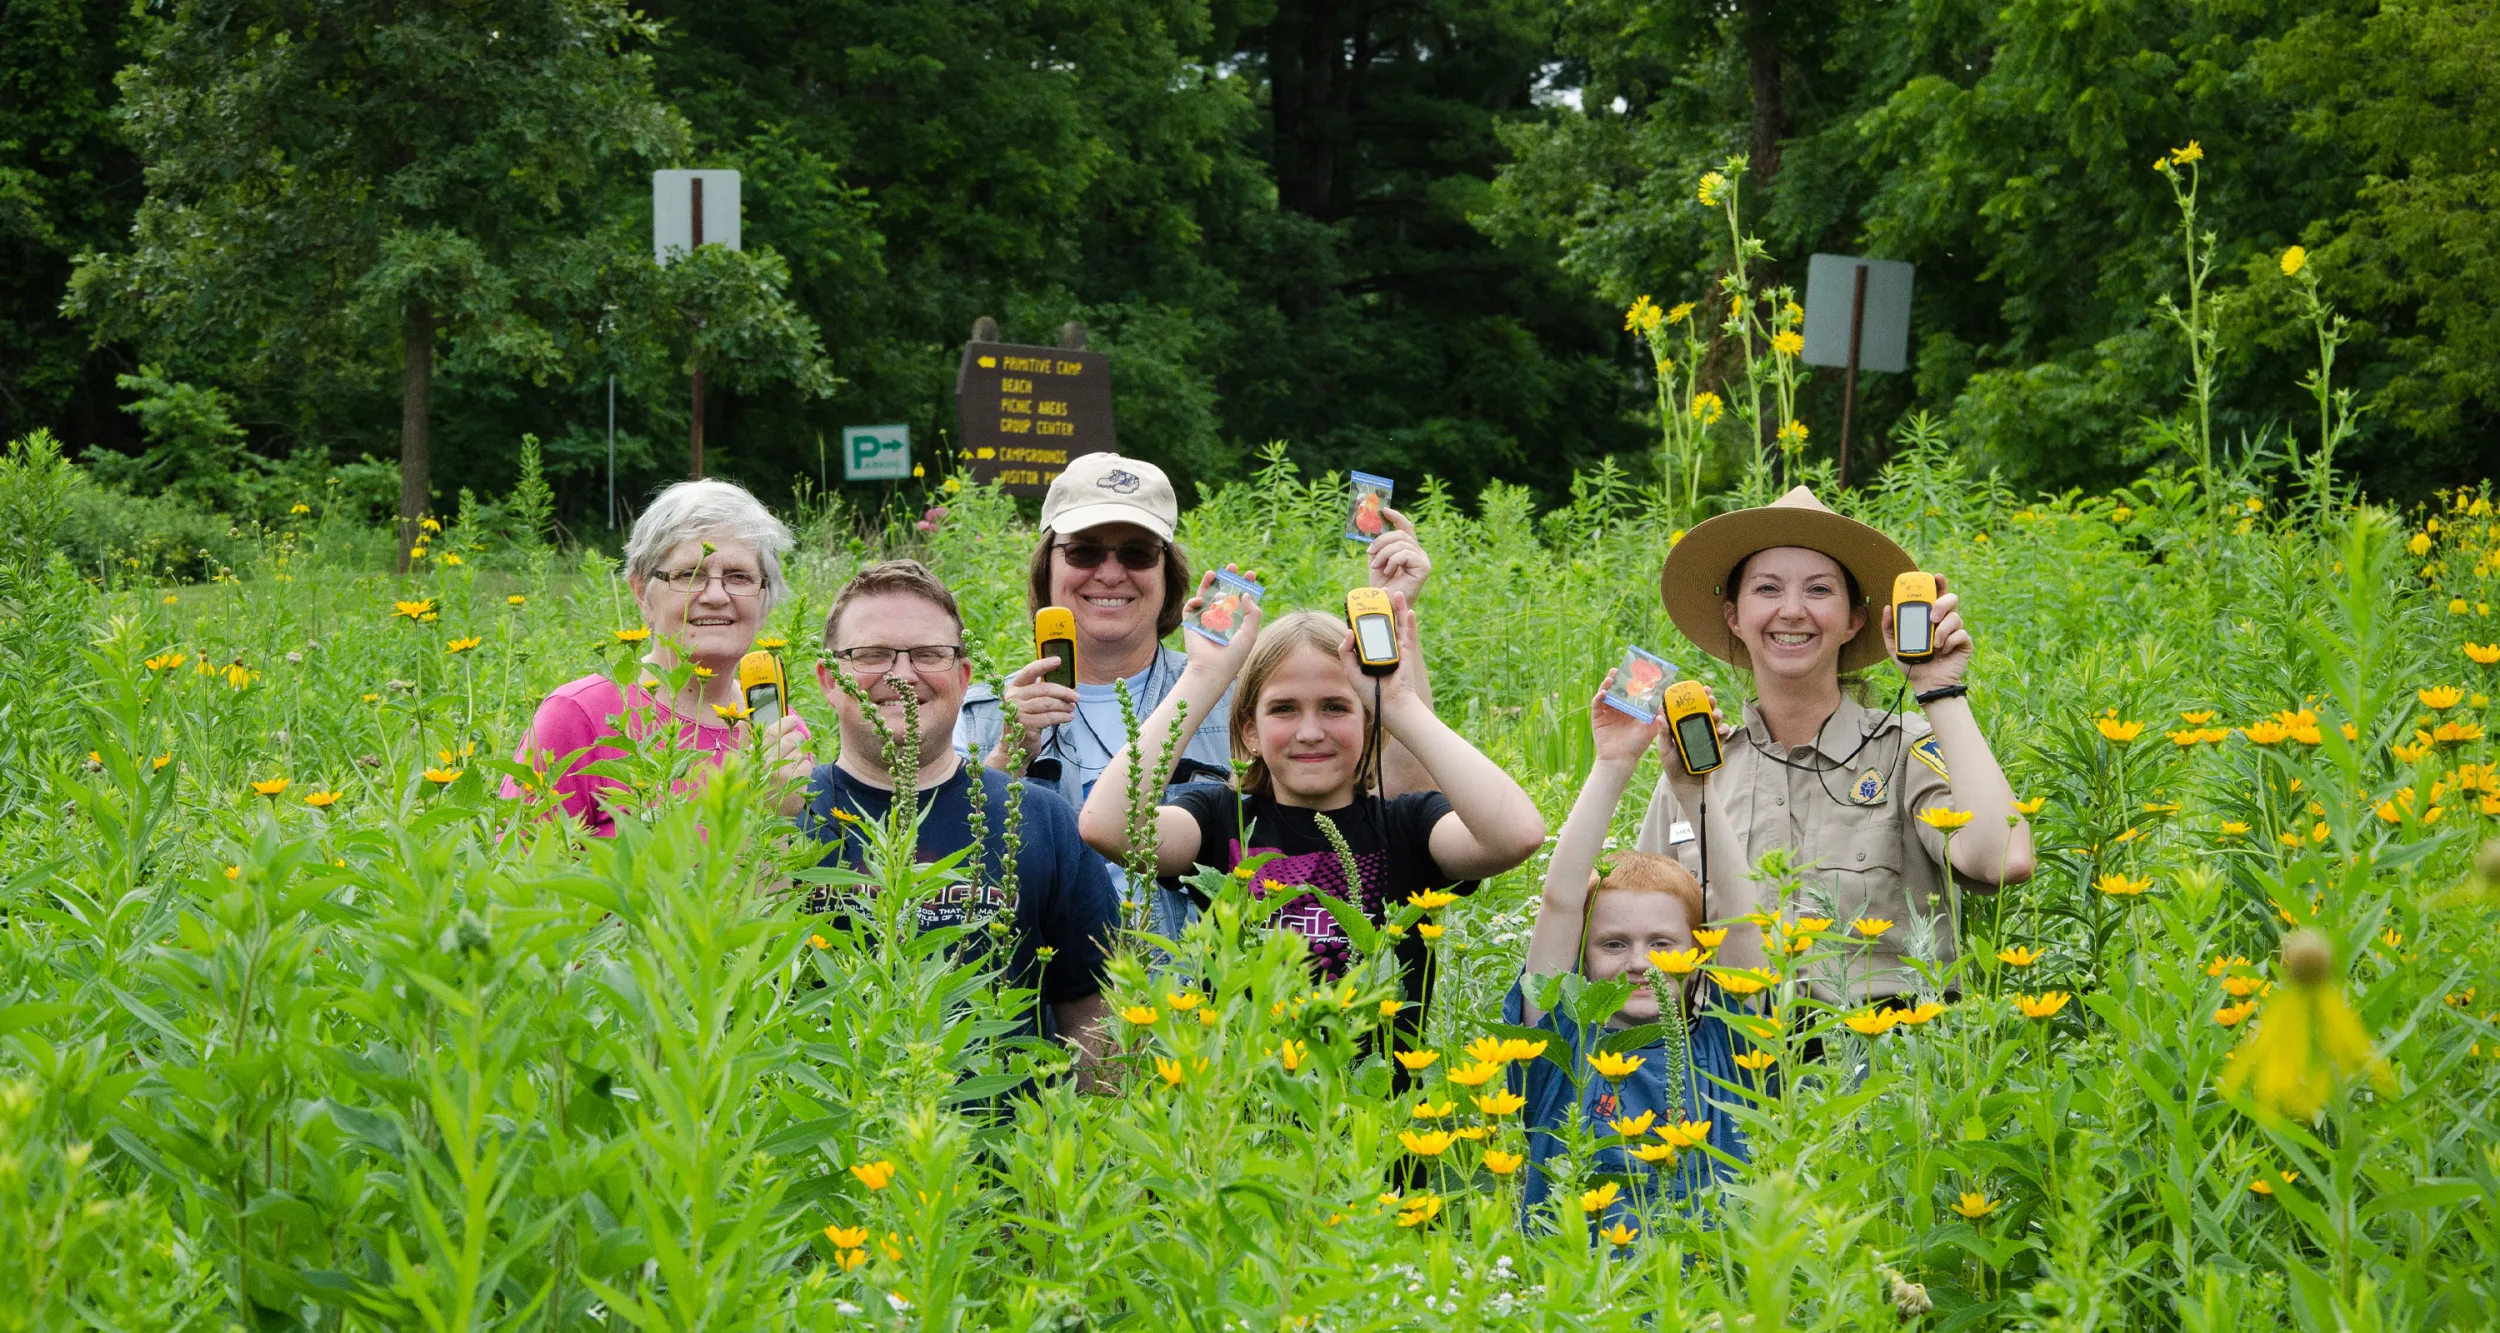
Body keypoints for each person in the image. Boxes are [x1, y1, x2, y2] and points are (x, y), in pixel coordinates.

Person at [961, 452, 1441, 937]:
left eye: (1137, 554)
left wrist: (1395, 616)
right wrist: (1005, 761)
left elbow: (1401, 810)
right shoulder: (985, 716)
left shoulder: (1240, 701)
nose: (1110, 574)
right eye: (1084, 552)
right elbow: (934, 873)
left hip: (1200, 993)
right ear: (1046, 567)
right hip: (1039, 990)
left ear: (1169, 573)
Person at [1076, 587, 1544, 1052]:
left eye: (1335, 707)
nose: (1310, 731)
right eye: (1283, 709)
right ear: (1250, 733)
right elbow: (1107, 825)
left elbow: (1517, 835)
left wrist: (1397, 704)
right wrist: (1202, 675)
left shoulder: (1407, 826)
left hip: (1375, 1107)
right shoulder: (1222, 821)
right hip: (1245, 1112)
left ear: (1367, 722)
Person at [1643, 487, 2033, 1001]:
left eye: (1820, 590)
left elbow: (2004, 860)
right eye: (1767, 589)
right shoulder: (1694, 773)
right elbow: (1645, 936)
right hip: (1734, 1059)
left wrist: (1938, 689)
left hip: (1888, 1055)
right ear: (1734, 616)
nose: (1792, 610)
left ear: (1855, 620)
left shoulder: (1903, 751)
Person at [799, 559, 1117, 1077]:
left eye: (929, 654)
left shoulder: (1042, 820)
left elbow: (1091, 1016)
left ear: (965, 677)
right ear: (828, 679)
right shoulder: (775, 818)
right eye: (872, 654)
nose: (901, 675)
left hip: (1003, 1150)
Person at [1505, 672, 1768, 1224]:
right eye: (1614, 943)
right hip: (1580, 1297)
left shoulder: (1727, 1048)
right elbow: (1560, 901)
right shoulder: (1560, 1051)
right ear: (1579, 956)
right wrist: (1613, 765)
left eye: (1663, 943)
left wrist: (1697, 793)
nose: (1640, 962)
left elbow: (1744, 925)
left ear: (1700, 954)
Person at [504, 479, 814, 834]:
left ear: (765, 601)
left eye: (739, 576)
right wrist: (751, 811)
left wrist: (773, 817)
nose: (715, 595)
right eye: (688, 574)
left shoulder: (782, 730)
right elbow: (523, 875)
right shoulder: (576, 719)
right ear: (640, 594)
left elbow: (782, 888)